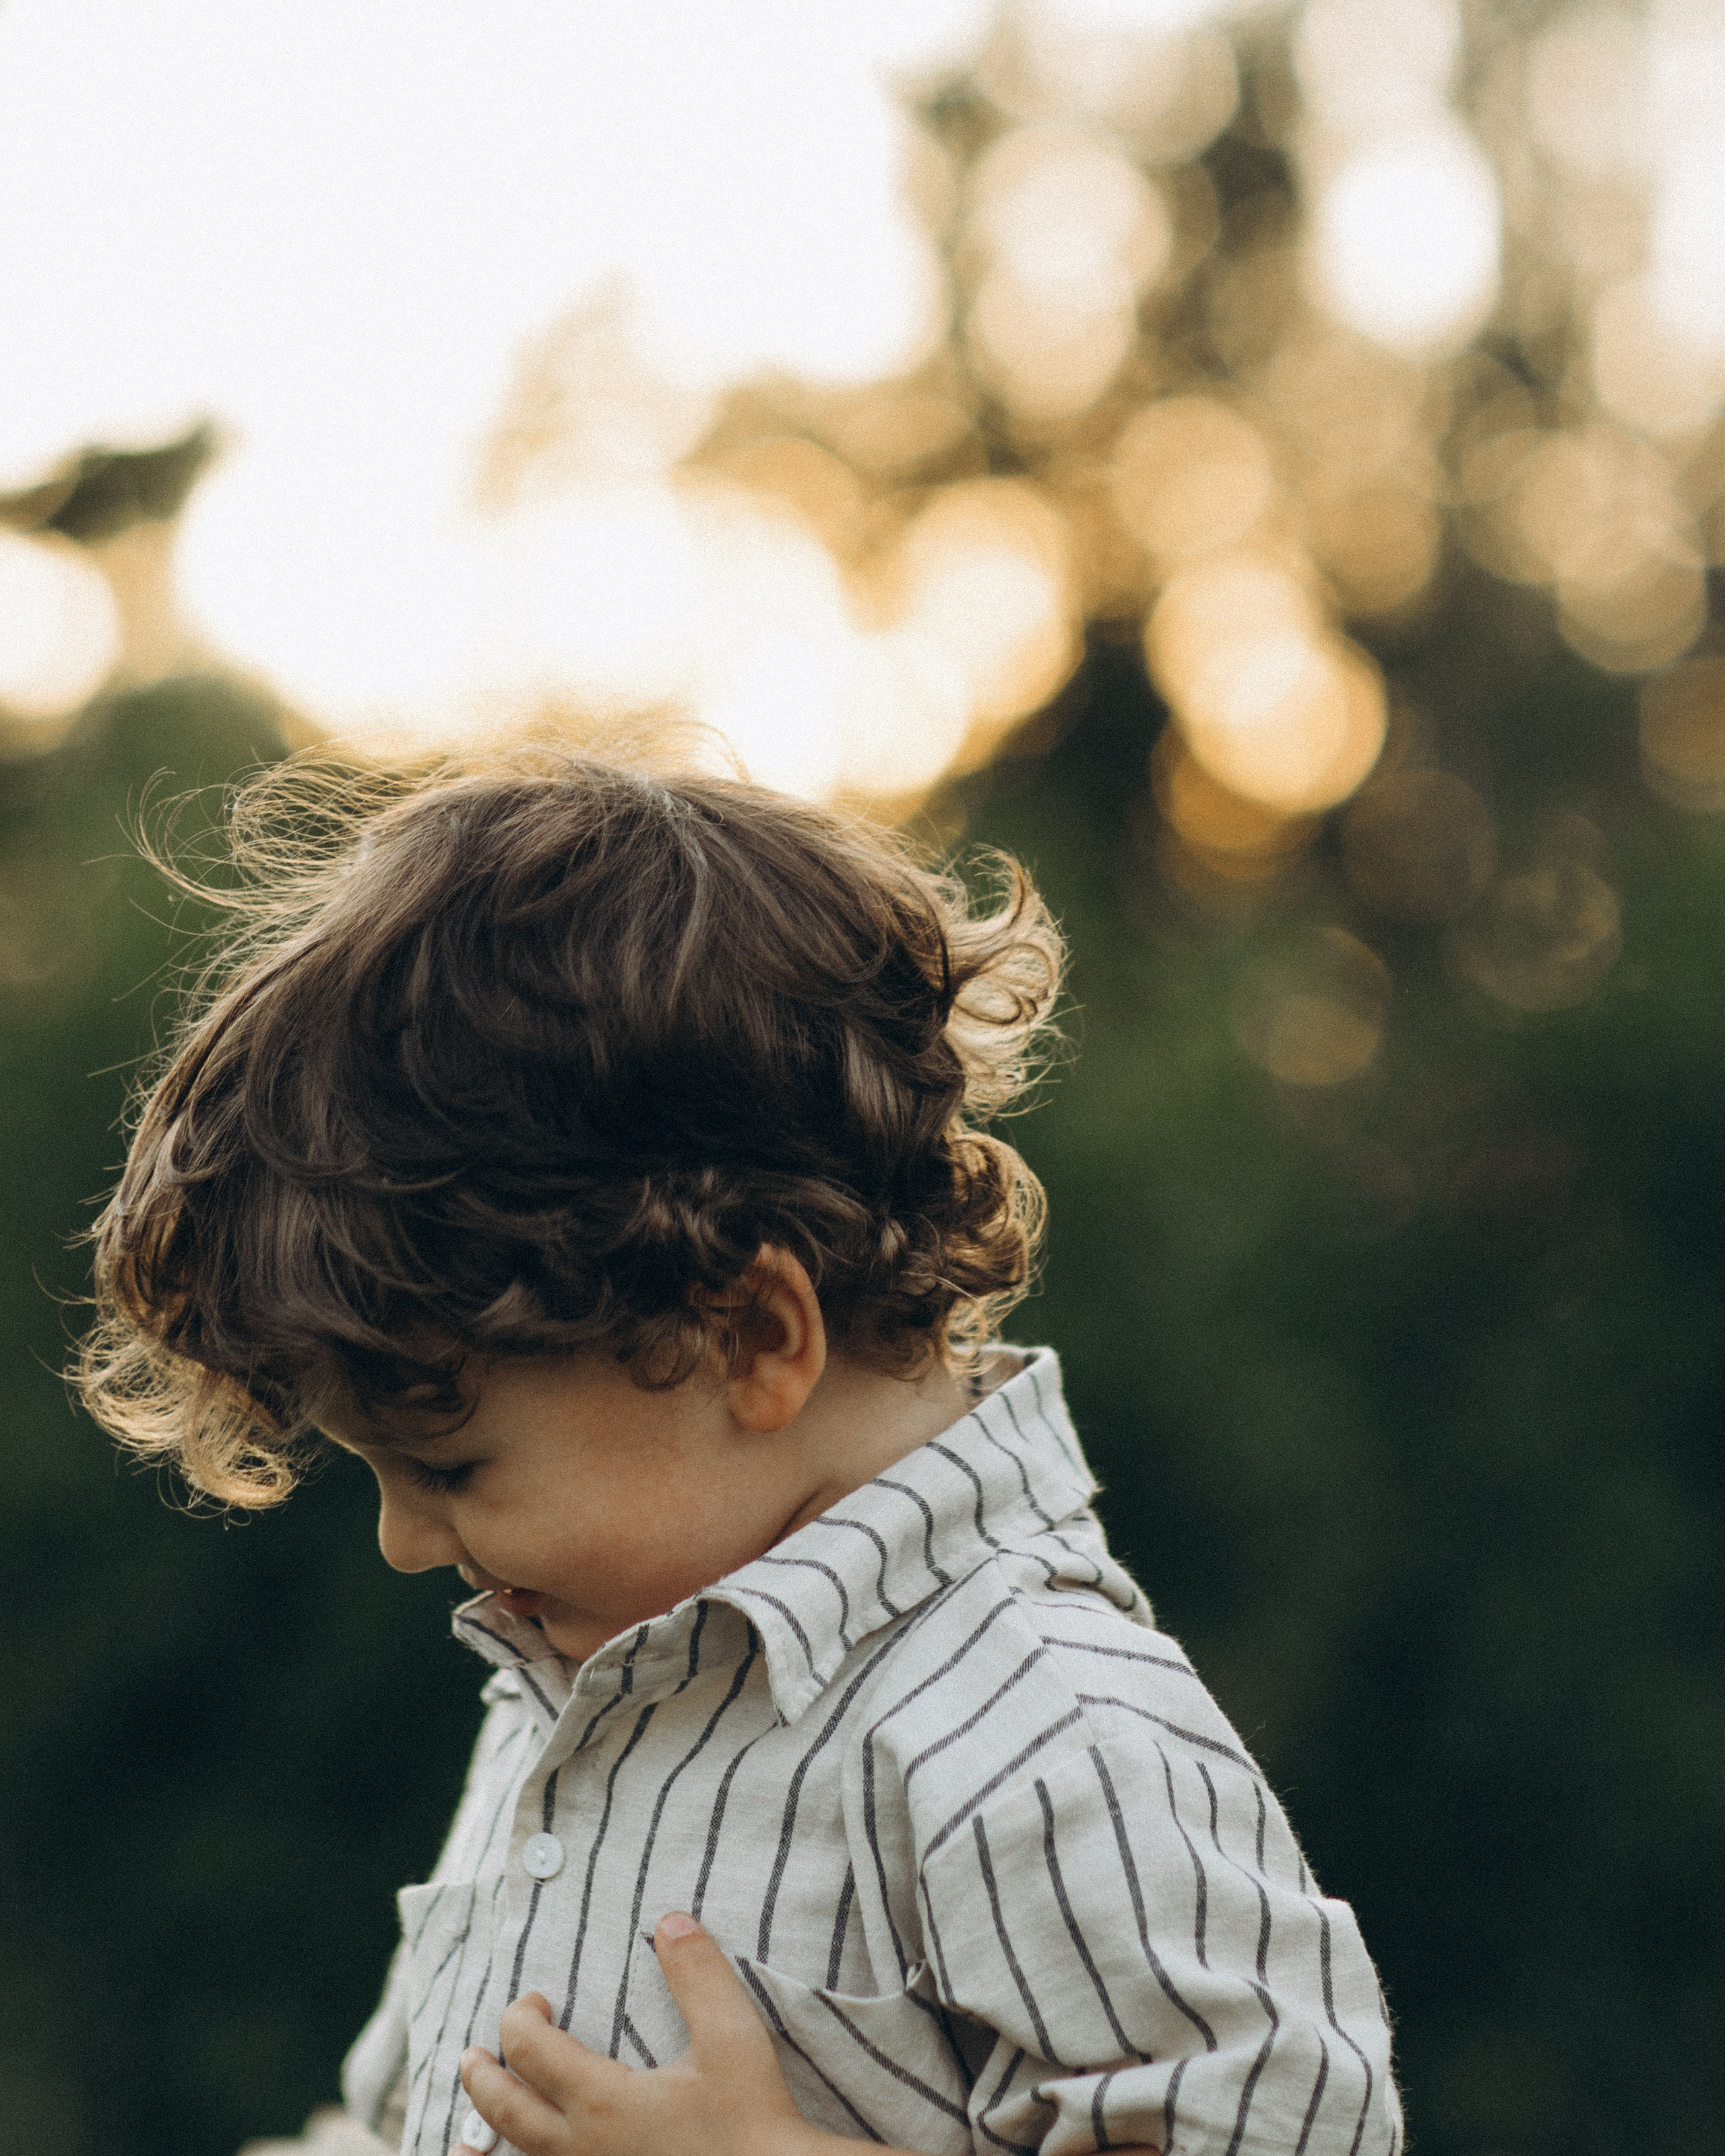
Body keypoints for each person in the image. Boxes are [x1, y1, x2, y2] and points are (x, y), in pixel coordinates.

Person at [79, 739, 1402, 2156]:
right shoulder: (590, 1679)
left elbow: (1279, 2131)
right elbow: (443, 2101)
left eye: (450, 1467)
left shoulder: (1029, 1715)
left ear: (750, 1338)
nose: (405, 1541)